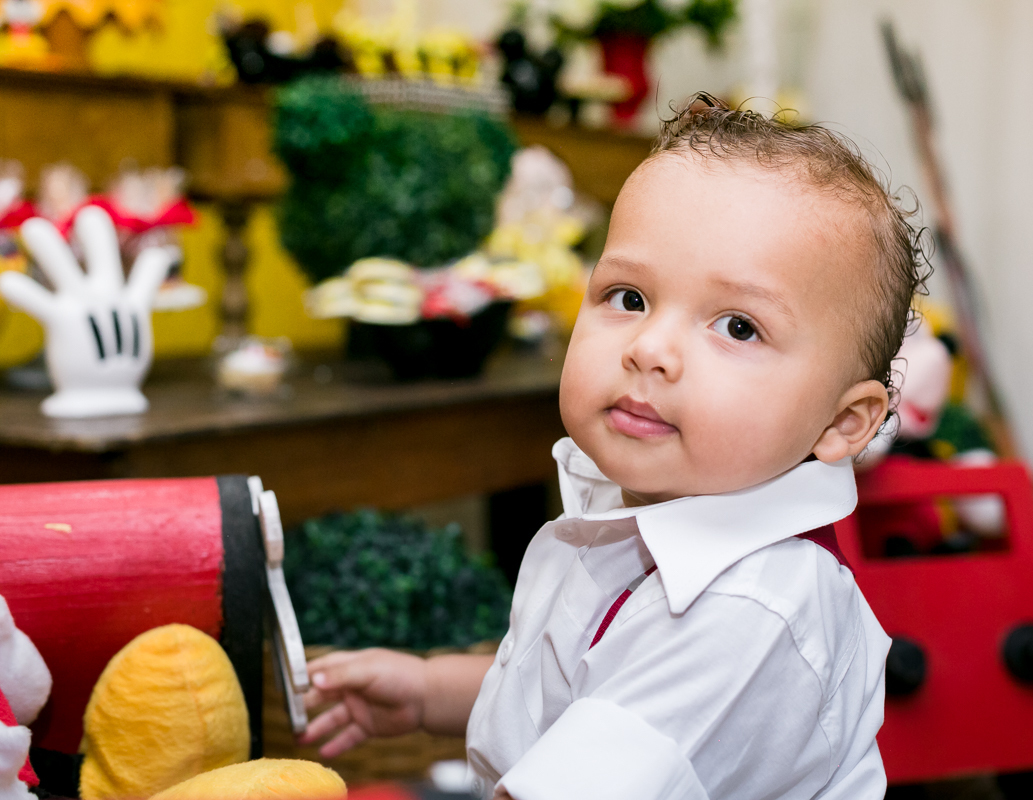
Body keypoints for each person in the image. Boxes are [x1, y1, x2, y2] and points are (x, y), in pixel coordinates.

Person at [300, 93, 926, 800]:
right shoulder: (631, 515)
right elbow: (577, 690)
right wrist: (423, 692)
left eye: (738, 327)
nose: (650, 349)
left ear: (844, 424)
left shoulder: (751, 611)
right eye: (628, 297)